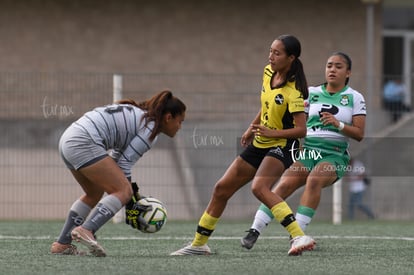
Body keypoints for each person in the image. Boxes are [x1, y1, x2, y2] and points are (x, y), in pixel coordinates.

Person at [171, 34, 315, 256]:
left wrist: (272, 132)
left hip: (284, 145)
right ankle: (199, 244)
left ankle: (298, 236)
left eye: (277, 53)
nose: (271, 57)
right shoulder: (268, 73)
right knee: (221, 189)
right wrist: (252, 126)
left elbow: (302, 130)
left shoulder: (294, 91)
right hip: (261, 142)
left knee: (259, 188)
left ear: (291, 58)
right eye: (270, 51)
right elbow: (266, 105)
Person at [241, 52, 366, 251]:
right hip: (309, 152)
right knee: (284, 184)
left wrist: (338, 124)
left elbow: (359, 134)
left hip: (334, 155)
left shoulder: (355, 97)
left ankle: (297, 236)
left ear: (348, 72)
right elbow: (291, 117)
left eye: (338, 66)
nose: (332, 69)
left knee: (315, 179)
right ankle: (254, 230)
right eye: (329, 65)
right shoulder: (310, 92)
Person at [50, 90, 186, 257]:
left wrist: (132, 195)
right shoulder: (150, 128)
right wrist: (130, 198)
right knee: (123, 191)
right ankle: (87, 230)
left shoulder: (139, 116)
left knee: (93, 193)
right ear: (168, 117)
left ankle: (62, 244)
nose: (180, 127)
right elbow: (124, 164)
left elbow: (116, 161)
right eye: (180, 121)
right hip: (84, 141)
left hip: (68, 138)